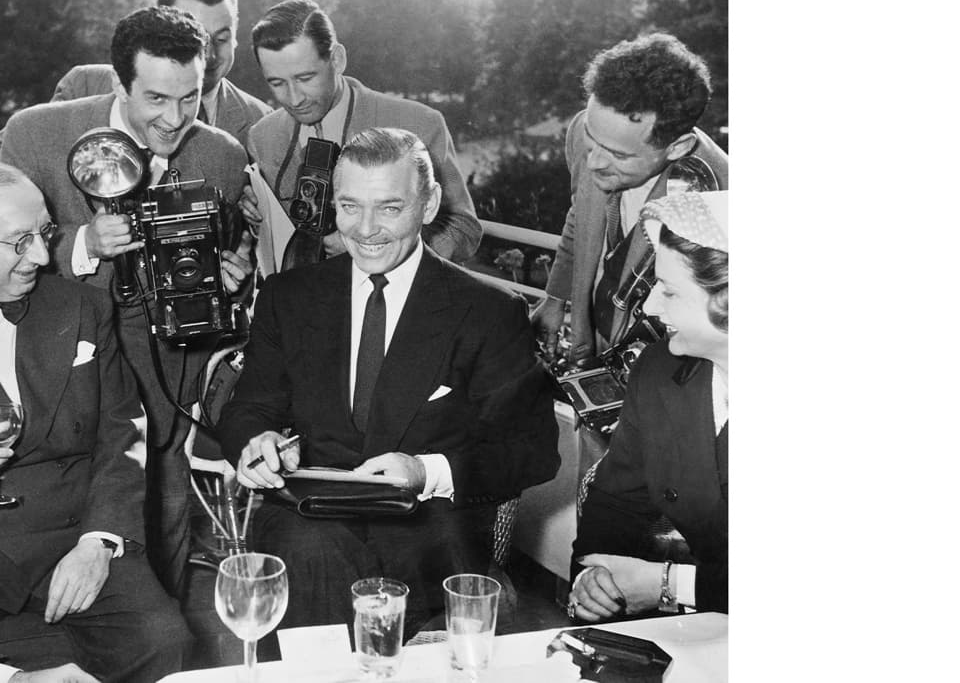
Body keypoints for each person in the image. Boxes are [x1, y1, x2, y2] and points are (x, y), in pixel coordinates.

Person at [218, 127, 559, 633]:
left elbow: (532, 450)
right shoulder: (289, 297)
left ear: (429, 205)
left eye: (390, 207)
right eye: (350, 206)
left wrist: (425, 471)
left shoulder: (488, 311)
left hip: (428, 521)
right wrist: (257, 443)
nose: (366, 229)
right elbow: (248, 410)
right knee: (311, 551)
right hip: (306, 516)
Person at [0, 6, 254, 599]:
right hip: (63, 371)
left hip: (164, 373)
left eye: (191, 97)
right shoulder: (35, 133)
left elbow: (232, 254)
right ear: (118, 84)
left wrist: (232, 277)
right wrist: (80, 243)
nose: (175, 118)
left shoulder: (221, 155)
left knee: (161, 521)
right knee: (63, 527)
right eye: (157, 99)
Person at [0, 161, 190, 683]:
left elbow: (123, 431)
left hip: (70, 534)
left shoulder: (80, 307)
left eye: (44, 234)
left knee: (163, 640)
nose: (39, 255)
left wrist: (100, 541)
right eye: (18, 241)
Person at [568, 190, 729, 620]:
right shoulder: (659, 369)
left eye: (670, 293)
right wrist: (594, 578)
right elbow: (618, 500)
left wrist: (670, 586)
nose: (651, 307)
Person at [532, 33, 729, 368]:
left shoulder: (722, 196)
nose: (593, 162)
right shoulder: (590, 130)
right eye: (592, 141)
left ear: (677, 148)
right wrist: (555, 297)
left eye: (619, 155)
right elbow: (581, 215)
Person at [240, 0, 481, 265]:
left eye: (305, 78)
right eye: (277, 83)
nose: (295, 99)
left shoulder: (419, 123)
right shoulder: (263, 138)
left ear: (337, 59)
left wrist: (378, 249)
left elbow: (463, 228)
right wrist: (253, 218)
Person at [43, 0, 270, 149]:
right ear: (159, 24)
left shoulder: (262, 123)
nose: (208, 56)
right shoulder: (83, 86)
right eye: (193, 39)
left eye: (221, 39)